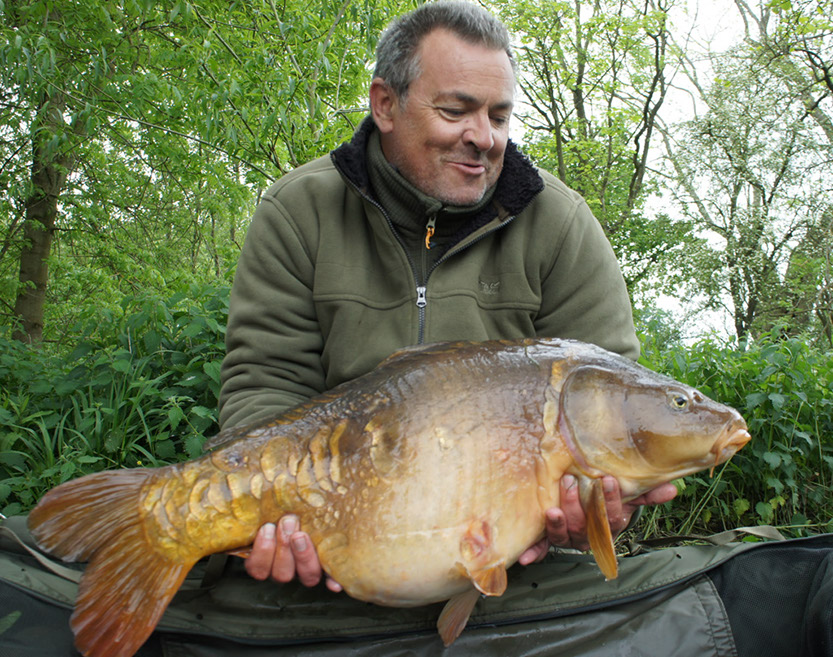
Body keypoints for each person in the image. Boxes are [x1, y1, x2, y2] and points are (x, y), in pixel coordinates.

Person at [219, 0, 677, 593]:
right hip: (342, 531)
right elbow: (265, 385)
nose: (483, 138)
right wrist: (274, 519)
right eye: (455, 110)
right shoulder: (299, 212)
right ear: (385, 103)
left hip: (515, 572)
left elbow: (612, 408)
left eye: (500, 115)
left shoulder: (558, 223)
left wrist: (600, 509)